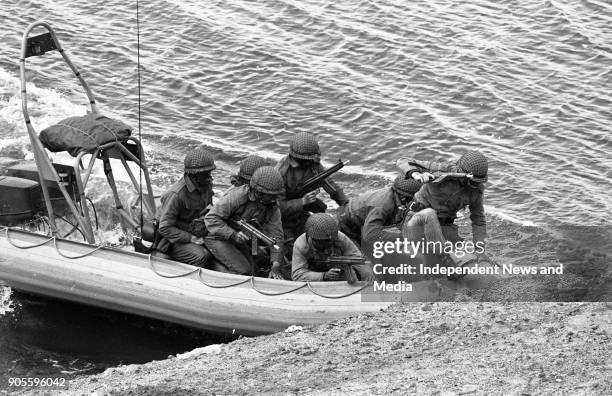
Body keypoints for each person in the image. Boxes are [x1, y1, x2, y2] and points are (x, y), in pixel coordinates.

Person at [396, 150, 488, 266]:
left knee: (465, 255)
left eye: (476, 181)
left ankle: (443, 262)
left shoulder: (476, 191)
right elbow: (403, 161)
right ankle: (441, 260)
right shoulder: (441, 169)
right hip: (417, 221)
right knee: (434, 257)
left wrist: (480, 252)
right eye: (471, 180)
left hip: (444, 228)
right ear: (460, 170)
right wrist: (417, 174)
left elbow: (478, 222)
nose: (473, 184)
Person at [204, 166, 287, 278]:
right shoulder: (237, 197)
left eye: (276, 195)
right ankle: (212, 269)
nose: (274, 198)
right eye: (271, 195)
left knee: (255, 270)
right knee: (243, 272)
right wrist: (233, 234)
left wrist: (275, 266)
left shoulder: (272, 206)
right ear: (259, 192)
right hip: (217, 236)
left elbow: (276, 236)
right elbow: (211, 218)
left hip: (244, 238)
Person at [276, 132, 349, 257]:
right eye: (308, 160)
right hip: (282, 219)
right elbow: (277, 207)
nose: (312, 162)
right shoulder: (281, 173)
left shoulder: (313, 165)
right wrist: (302, 202)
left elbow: (329, 183)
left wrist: (345, 203)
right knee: (290, 249)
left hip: (302, 211)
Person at [157, 147, 215, 267]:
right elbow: (165, 228)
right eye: (205, 173)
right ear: (194, 175)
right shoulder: (176, 195)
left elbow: (209, 208)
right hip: (172, 240)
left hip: (196, 229)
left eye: (209, 172)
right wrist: (191, 238)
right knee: (202, 256)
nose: (209, 176)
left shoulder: (205, 185)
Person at [339, 175, 422, 245]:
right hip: (349, 224)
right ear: (404, 197)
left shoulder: (396, 194)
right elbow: (370, 235)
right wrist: (404, 236)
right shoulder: (382, 206)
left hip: (364, 217)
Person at [292, 213, 374, 282]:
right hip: (313, 277)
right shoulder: (301, 245)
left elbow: (359, 260)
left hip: (337, 271)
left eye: (331, 240)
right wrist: (324, 276)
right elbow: (297, 275)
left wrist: (368, 277)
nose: (330, 242)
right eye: (325, 241)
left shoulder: (340, 238)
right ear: (314, 240)